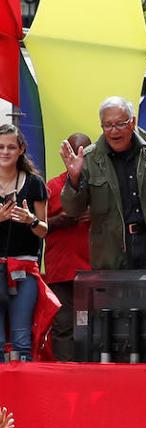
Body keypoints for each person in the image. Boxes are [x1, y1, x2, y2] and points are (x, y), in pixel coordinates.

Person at [60, 96, 146, 270]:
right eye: (108, 125)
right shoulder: (90, 158)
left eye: (120, 124)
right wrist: (73, 179)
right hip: (111, 253)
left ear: (132, 122)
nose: (113, 131)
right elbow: (73, 210)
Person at [0, 124, 49, 362]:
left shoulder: (34, 183)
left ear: (21, 150)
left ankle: (23, 395)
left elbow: (43, 231)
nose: (5, 152)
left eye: (11, 147)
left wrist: (31, 220)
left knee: (22, 339)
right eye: (0, 147)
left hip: (24, 269)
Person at [43, 132, 91, 361]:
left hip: (95, 270)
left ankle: (93, 375)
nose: (79, 158)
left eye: (85, 153)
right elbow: (34, 226)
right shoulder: (52, 187)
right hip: (62, 270)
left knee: (93, 327)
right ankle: (65, 374)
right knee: (63, 326)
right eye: (73, 152)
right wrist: (61, 220)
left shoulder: (99, 186)